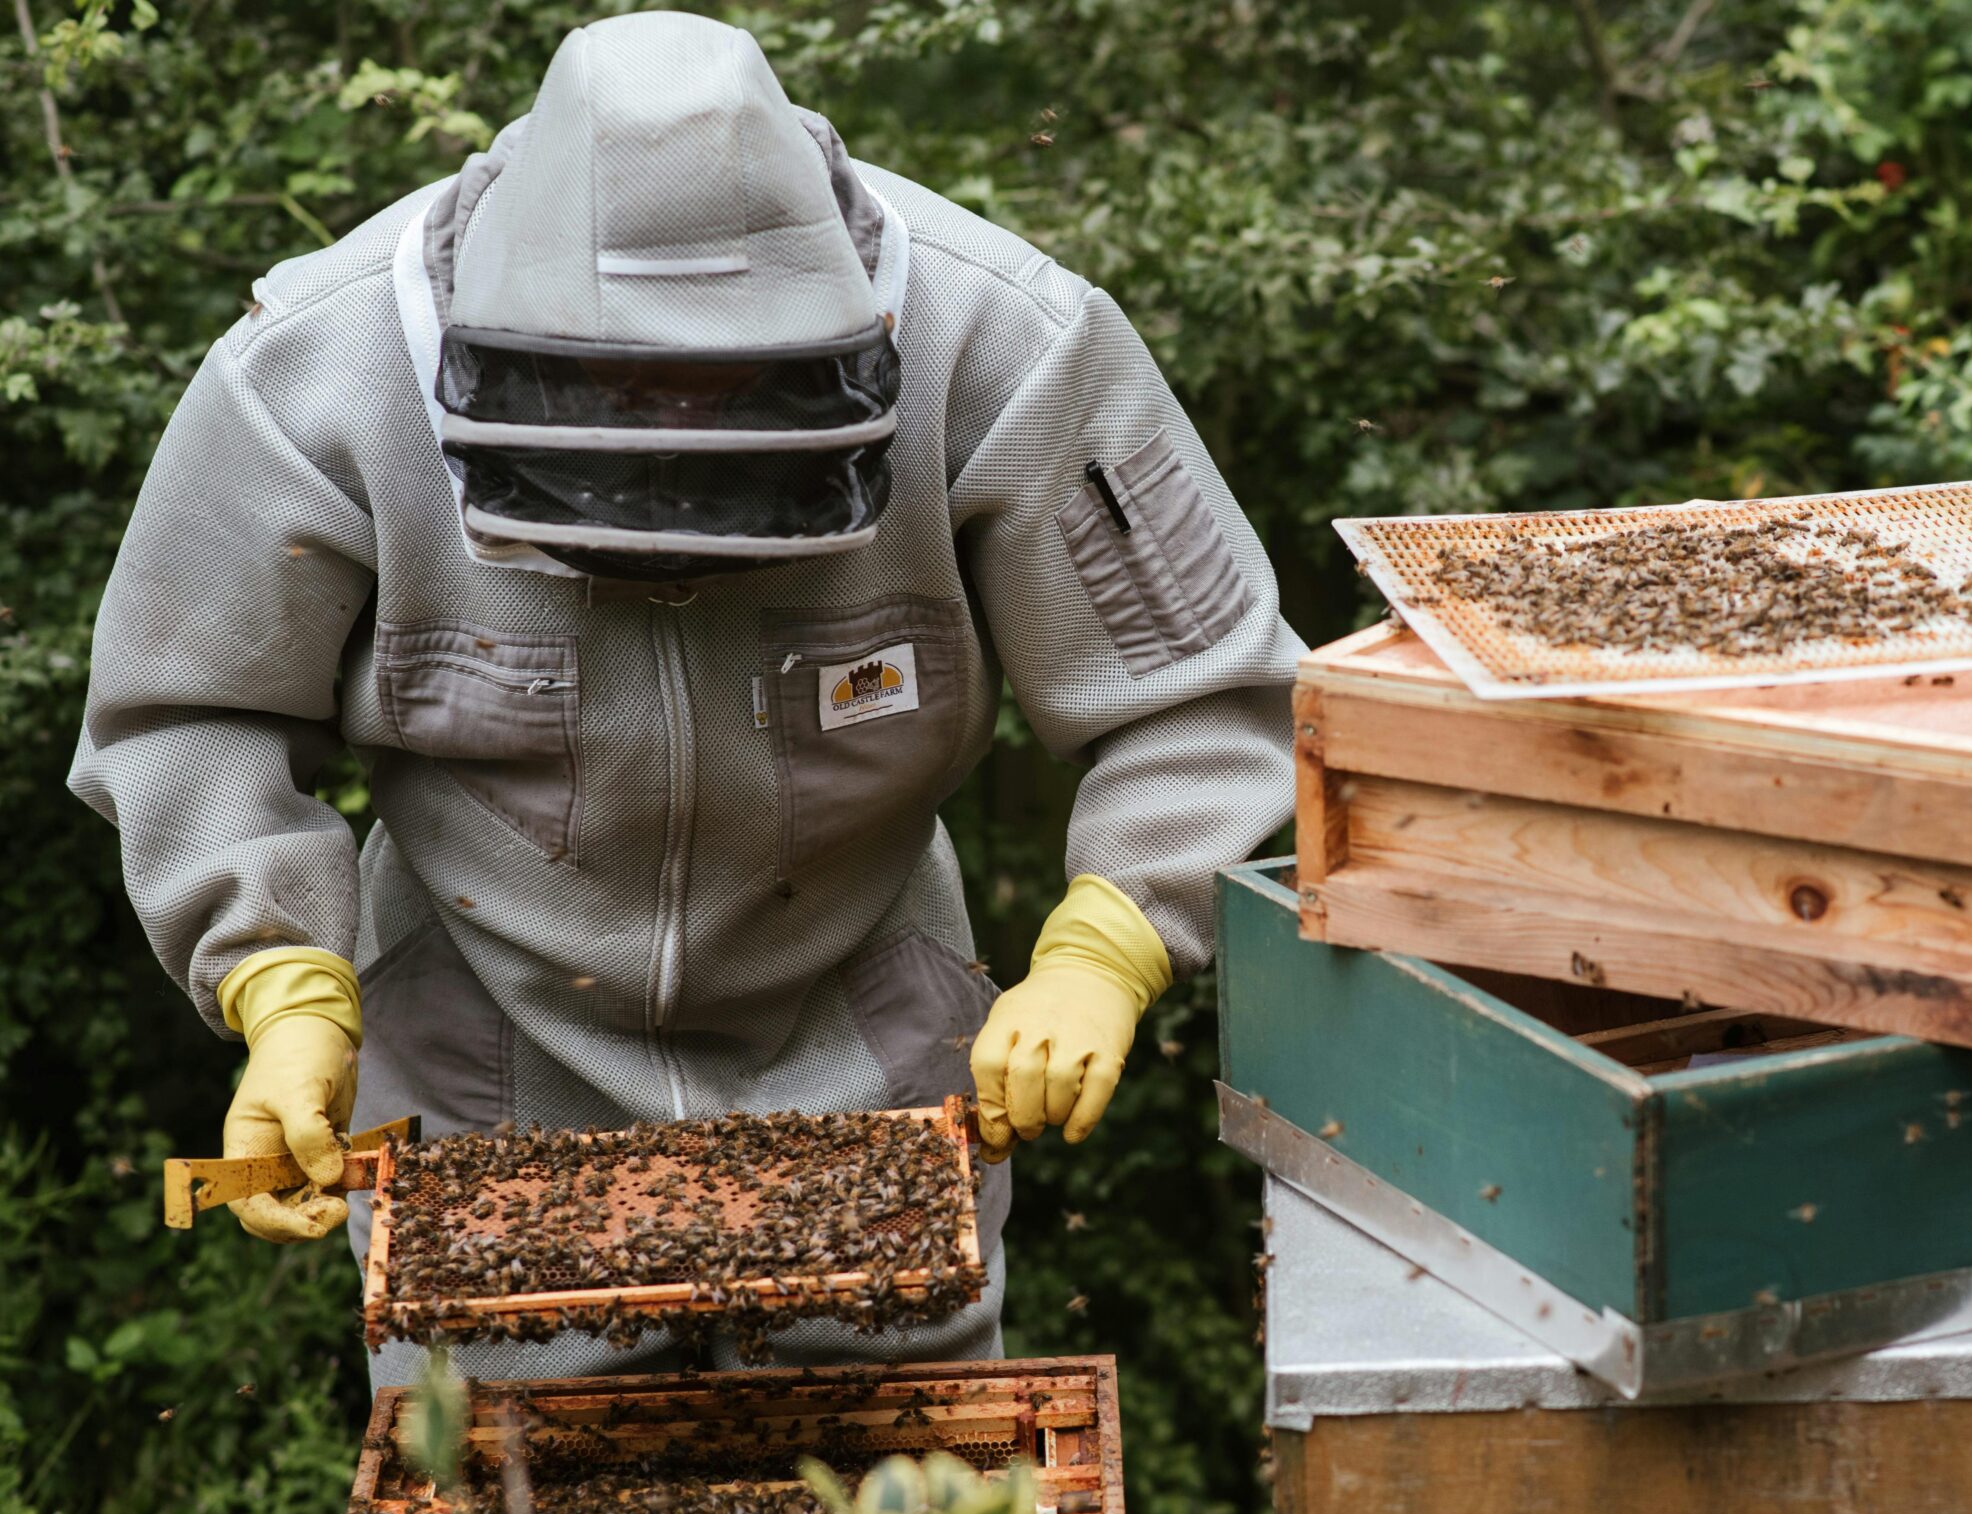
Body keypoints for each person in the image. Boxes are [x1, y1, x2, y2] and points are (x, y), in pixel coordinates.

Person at [68, 10, 1302, 1382]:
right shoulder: (319, 368)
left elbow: (1204, 696)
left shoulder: (1001, 341)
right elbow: (193, 715)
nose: (669, 475)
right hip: (484, 1081)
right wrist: (281, 977)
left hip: (869, 1057)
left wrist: (1113, 938)